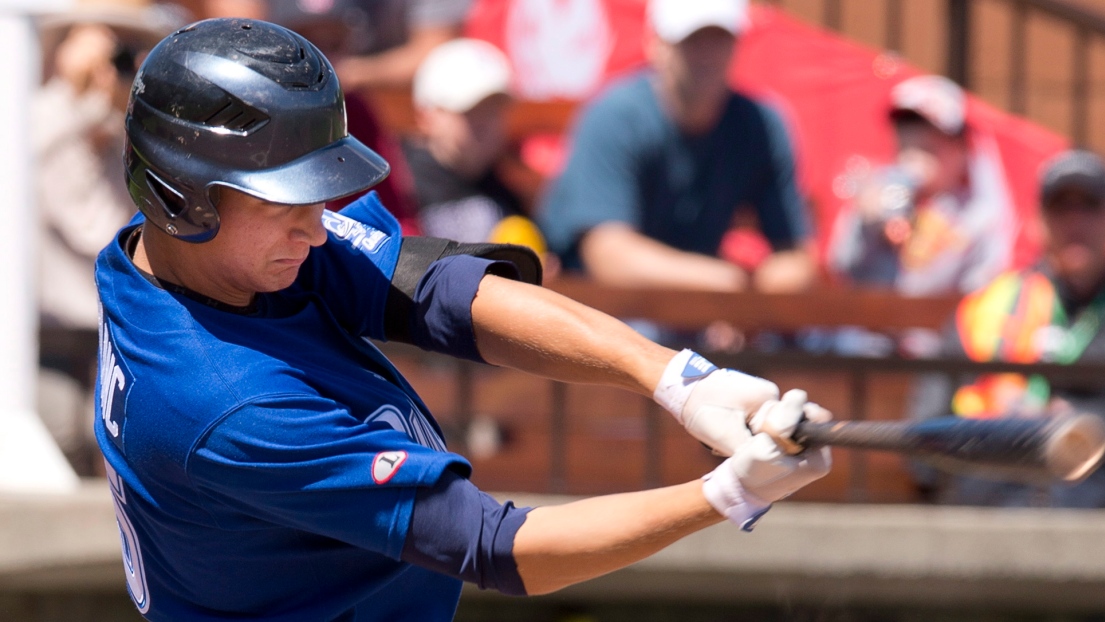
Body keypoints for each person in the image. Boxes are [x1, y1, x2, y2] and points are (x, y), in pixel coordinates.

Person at [96, 18, 831, 620]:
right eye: (283, 205)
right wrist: (726, 494)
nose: (316, 232)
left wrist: (677, 379)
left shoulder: (180, 253)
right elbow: (498, 546)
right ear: (178, 198)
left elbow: (438, 292)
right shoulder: (222, 403)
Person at [538, 0, 815, 294]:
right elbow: (607, 257)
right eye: (692, 40)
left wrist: (751, 303)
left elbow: (797, 256)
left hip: (696, 312)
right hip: (597, 309)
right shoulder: (615, 117)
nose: (707, 54)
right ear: (656, 44)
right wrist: (724, 283)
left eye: (719, 38)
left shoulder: (761, 124)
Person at [33, 0, 182, 473]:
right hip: (52, 337)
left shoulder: (125, 125)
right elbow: (95, 227)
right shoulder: (42, 116)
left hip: (114, 323)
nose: (120, 62)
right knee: (68, 440)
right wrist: (87, 104)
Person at [909, 150, 1105, 506]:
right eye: (1061, 208)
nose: (1076, 222)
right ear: (1038, 221)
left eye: (1090, 206)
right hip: (993, 505)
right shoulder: (987, 307)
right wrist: (1008, 424)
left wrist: (1081, 422)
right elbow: (927, 425)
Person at [829, 75, 1016, 298]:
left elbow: (983, 290)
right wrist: (866, 225)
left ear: (962, 148)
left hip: (941, 329)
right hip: (867, 326)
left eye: (930, 146)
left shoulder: (979, 214)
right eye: (905, 138)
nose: (914, 154)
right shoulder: (879, 194)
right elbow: (843, 267)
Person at [404, 37, 541, 248]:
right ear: (427, 117)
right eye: (470, 111)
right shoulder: (401, 183)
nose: (485, 125)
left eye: (493, 111)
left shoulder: (513, 185)